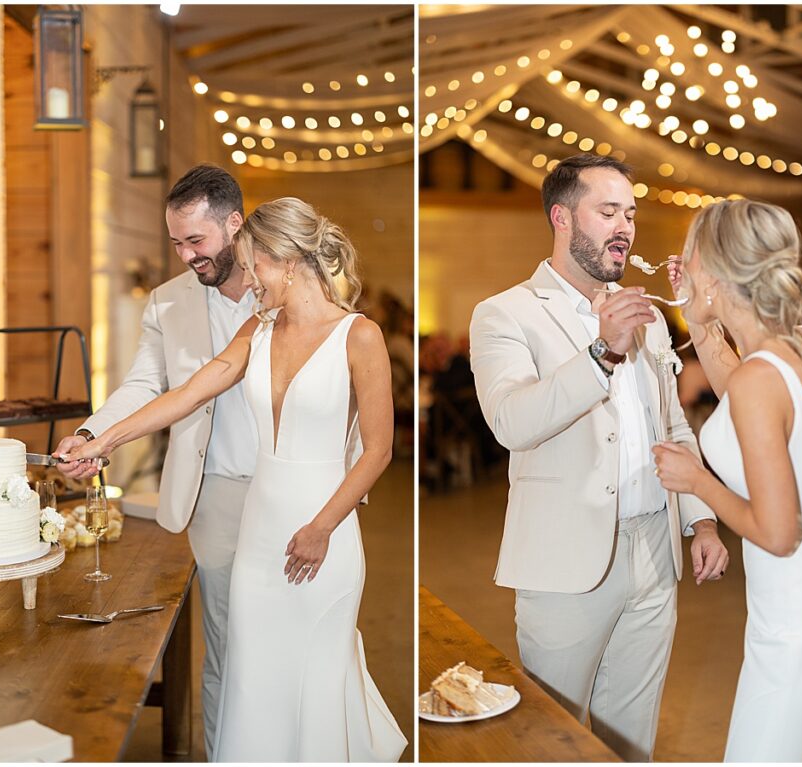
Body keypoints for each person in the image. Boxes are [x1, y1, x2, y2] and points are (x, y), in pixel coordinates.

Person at [65, 197, 406, 762]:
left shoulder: (360, 336)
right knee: (251, 673)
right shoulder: (259, 328)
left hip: (325, 529)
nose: (247, 282)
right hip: (259, 530)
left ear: (287, 261)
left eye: (253, 268)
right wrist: (102, 442)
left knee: (320, 667)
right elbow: (189, 392)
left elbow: (378, 451)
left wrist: (321, 528)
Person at [468, 153, 728, 761]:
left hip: (654, 556)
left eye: (630, 214)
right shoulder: (505, 313)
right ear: (561, 218)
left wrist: (701, 519)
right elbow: (512, 422)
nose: (625, 227)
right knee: (551, 738)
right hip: (565, 565)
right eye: (607, 211)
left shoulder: (649, 319)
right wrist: (600, 354)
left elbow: (671, 426)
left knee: (631, 740)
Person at [655, 199, 802, 761]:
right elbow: (741, 394)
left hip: (797, 622)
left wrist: (697, 481)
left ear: (714, 274)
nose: (680, 270)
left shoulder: (764, 376)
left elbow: (778, 531)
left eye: (688, 260)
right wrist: (698, 317)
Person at [54, 164, 257, 758]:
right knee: (226, 640)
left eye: (197, 240)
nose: (187, 255)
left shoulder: (284, 283)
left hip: (287, 488)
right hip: (211, 489)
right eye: (176, 243)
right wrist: (93, 432)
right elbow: (144, 383)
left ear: (235, 223)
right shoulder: (167, 302)